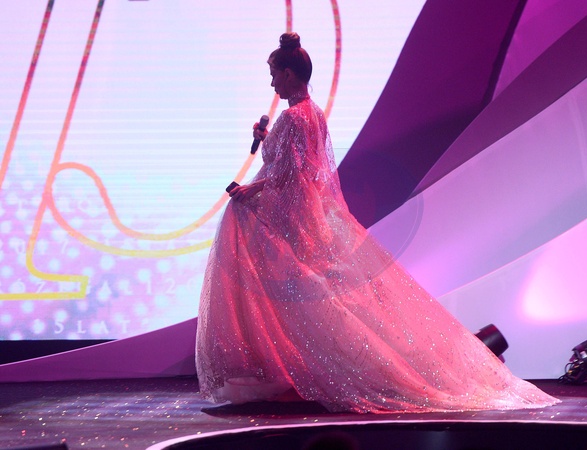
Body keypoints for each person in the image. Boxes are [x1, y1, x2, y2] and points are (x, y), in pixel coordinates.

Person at [196, 32, 559, 413]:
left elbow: (290, 173)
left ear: (288, 74)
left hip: (294, 215)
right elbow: (296, 163)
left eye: (274, 74)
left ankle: (276, 367)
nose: (272, 83)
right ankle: (289, 370)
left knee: (248, 233)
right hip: (307, 212)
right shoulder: (312, 113)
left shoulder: (292, 116)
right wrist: (266, 141)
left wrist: (252, 189)